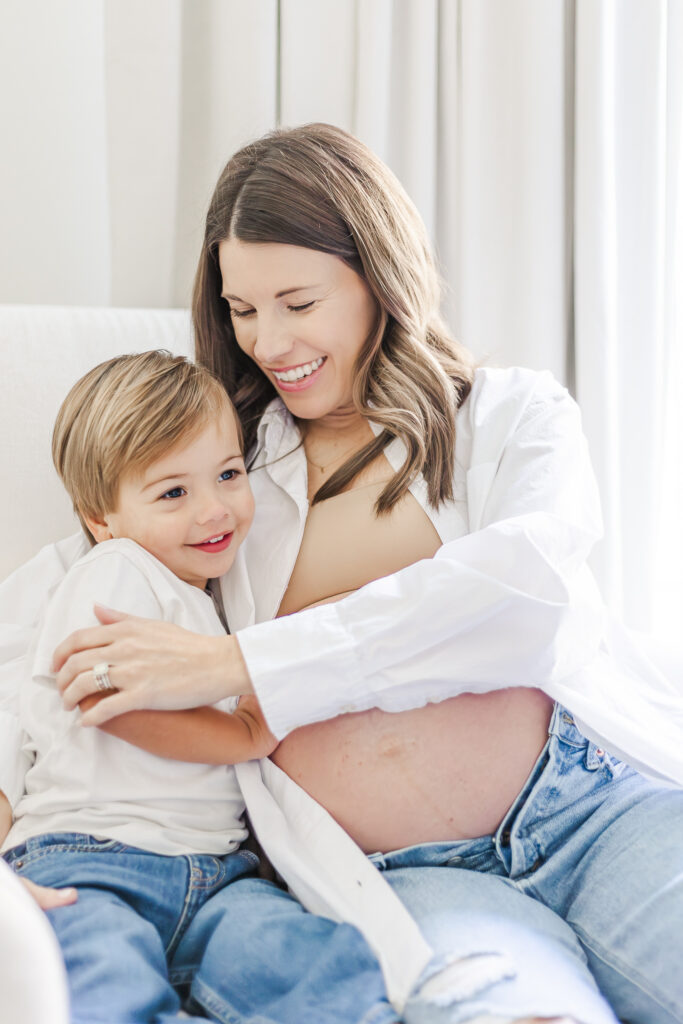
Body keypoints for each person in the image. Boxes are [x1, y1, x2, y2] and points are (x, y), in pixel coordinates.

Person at [4, 123, 683, 1023]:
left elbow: (526, 594)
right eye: (242, 310)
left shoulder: (507, 416)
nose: (268, 341)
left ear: (376, 276)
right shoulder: (219, 471)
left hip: (590, 808)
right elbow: (39, 629)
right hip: (408, 878)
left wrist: (236, 667)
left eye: (296, 300)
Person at [1, 350, 281, 1023]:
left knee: (307, 960)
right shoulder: (115, 571)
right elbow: (102, 703)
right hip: (89, 861)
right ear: (104, 520)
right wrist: (244, 733)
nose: (214, 509)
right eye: (173, 493)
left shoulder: (216, 600)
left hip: (216, 874)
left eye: (229, 474)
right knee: (100, 980)